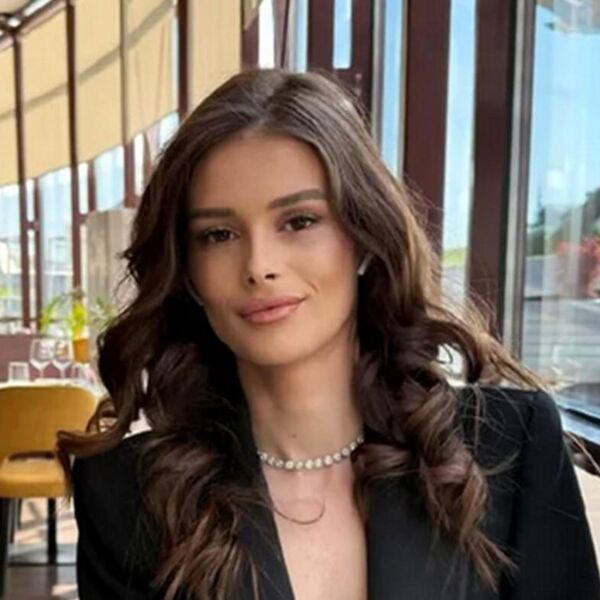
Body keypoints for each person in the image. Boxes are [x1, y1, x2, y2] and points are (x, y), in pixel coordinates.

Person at [57, 68, 600, 600]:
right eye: (218, 234)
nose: (259, 266)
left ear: (363, 237)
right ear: (189, 274)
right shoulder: (128, 493)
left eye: (299, 221)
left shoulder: (511, 445)